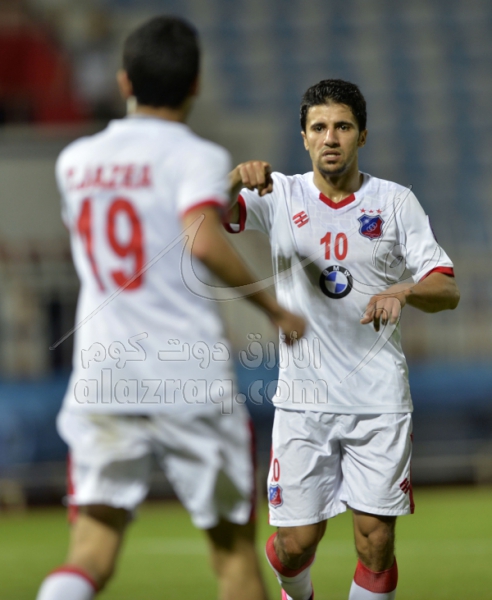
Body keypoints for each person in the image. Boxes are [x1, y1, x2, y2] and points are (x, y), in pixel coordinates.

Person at [35, 16, 305, 600]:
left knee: (90, 552)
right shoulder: (195, 155)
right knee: (233, 557)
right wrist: (274, 308)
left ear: (124, 81)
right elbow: (201, 238)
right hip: (188, 376)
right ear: (196, 84)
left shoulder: (75, 161)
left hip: (103, 375)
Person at [225, 79, 460, 600]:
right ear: (304, 137)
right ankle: (297, 592)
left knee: (376, 542)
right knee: (295, 545)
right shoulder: (279, 194)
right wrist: (234, 178)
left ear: (363, 135)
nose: (330, 138)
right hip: (303, 401)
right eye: (319, 127)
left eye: (343, 127)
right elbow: (211, 215)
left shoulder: (395, 202)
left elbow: (447, 288)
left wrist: (403, 289)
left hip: (378, 399)